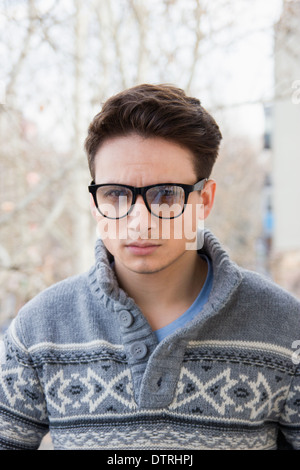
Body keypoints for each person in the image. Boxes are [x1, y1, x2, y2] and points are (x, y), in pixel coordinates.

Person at [0, 84, 299, 451]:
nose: (139, 222)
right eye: (115, 194)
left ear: (204, 200)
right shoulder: (38, 329)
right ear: (95, 204)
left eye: (166, 194)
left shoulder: (287, 328)